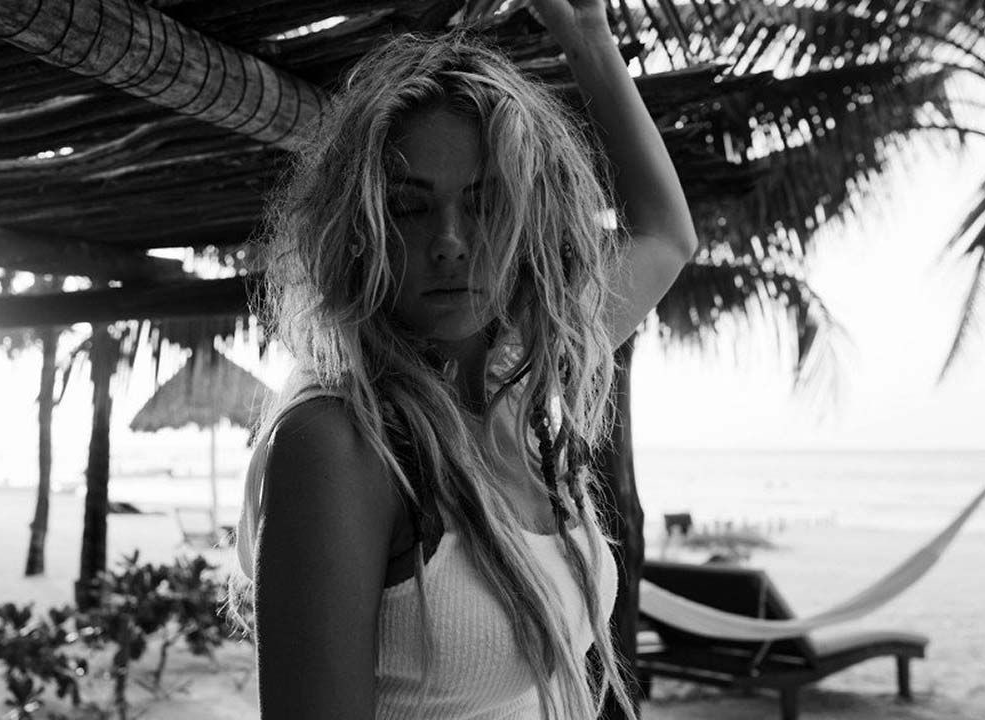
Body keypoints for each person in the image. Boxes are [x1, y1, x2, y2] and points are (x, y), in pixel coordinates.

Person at [228, 0, 698, 716]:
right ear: (364, 228)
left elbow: (666, 234)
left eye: (484, 203)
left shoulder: (515, 381)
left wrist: (587, 33)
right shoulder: (343, 443)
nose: (450, 241)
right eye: (411, 207)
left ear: (531, 221)